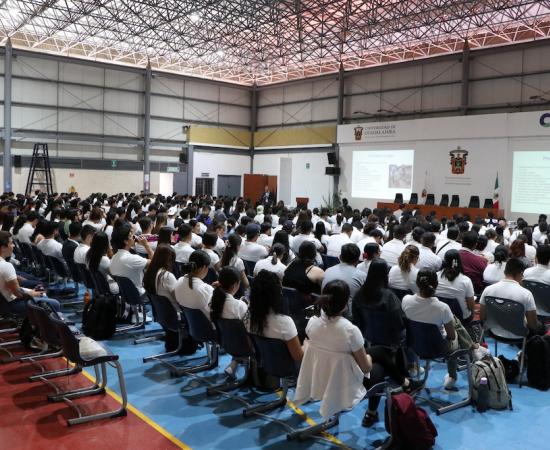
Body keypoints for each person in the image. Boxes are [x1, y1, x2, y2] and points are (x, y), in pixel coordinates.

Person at [307, 280, 421, 428]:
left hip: (322, 371)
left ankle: (404, 383)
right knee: (378, 366)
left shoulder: (313, 322)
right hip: (344, 377)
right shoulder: (349, 330)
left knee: (380, 351)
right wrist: (368, 357)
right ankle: (372, 411)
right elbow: (366, 368)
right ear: (345, 303)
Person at [402, 270, 487, 390]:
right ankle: (456, 370)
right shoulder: (442, 308)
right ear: (436, 285)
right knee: (454, 325)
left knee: (451, 322)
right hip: (439, 349)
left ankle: (474, 348)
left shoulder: (406, 300)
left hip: (415, 346)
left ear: (417, 283)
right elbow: (452, 337)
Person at [247, 270, 302, 362]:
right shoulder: (285, 322)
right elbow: (299, 357)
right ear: (276, 295)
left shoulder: (247, 317)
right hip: (288, 368)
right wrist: (307, 345)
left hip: (263, 362)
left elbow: (251, 347)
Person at [0, 231, 61, 316]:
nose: (13, 246)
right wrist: (33, 293)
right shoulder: (5, 266)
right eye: (11, 243)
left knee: (41, 293)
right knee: (55, 304)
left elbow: (14, 289)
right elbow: (18, 293)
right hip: (12, 305)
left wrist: (30, 291)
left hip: (5, 304)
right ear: (3, 247)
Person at [480, 258, 544, 337]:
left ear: (504, 272)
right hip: (518, 335)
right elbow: (532, 325)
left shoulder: (488, 290)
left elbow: (482, 317)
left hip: (494, 331)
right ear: (520, 273)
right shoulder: (526, 294)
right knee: (541, 327)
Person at [210, 266, 248, 377]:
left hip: (224, 342)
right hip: (242, 345)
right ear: (235, 285)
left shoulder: (213, 301)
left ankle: (234, 362)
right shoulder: (239, 305)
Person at [110, 223, 152, 296]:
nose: (134, 237)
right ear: (126, 241)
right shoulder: (132, 259)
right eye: (132, 236)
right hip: (140, 294)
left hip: (125, 295)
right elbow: (155, 262)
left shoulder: (114, 257)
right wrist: (146, 245)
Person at [321, 243, 366, 310]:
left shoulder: (328, 270)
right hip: (348, 316)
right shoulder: (362, 276)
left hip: (324, 310)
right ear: (357, 260)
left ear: (340, 257)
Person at [435, 250, 475, 323]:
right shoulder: (466, 280)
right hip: (461, 318)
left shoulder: (435, 276)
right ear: (459, 261)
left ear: (445, 261)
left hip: (438, 315)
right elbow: (471, 306)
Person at [174, 250, 213, 320]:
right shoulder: (207, 289)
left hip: (190, 325)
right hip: (209, 327)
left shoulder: (178, 281)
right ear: (204, 268)